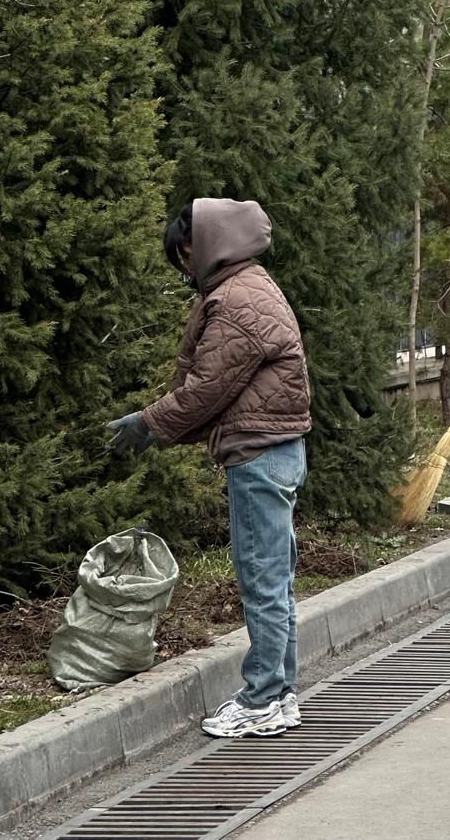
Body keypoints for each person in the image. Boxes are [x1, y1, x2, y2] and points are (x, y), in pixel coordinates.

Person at [105, 199, 311, 738]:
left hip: (260, 457)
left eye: (184, 252)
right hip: (275, 450)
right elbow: (220, 392)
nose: (182, 265)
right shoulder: (249, 286)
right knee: (276, 581)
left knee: (263, 581)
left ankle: (264, 698)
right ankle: (281, 694)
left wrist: (149, 423)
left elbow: (207, 389)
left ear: (206, 242)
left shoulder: (238, 299)